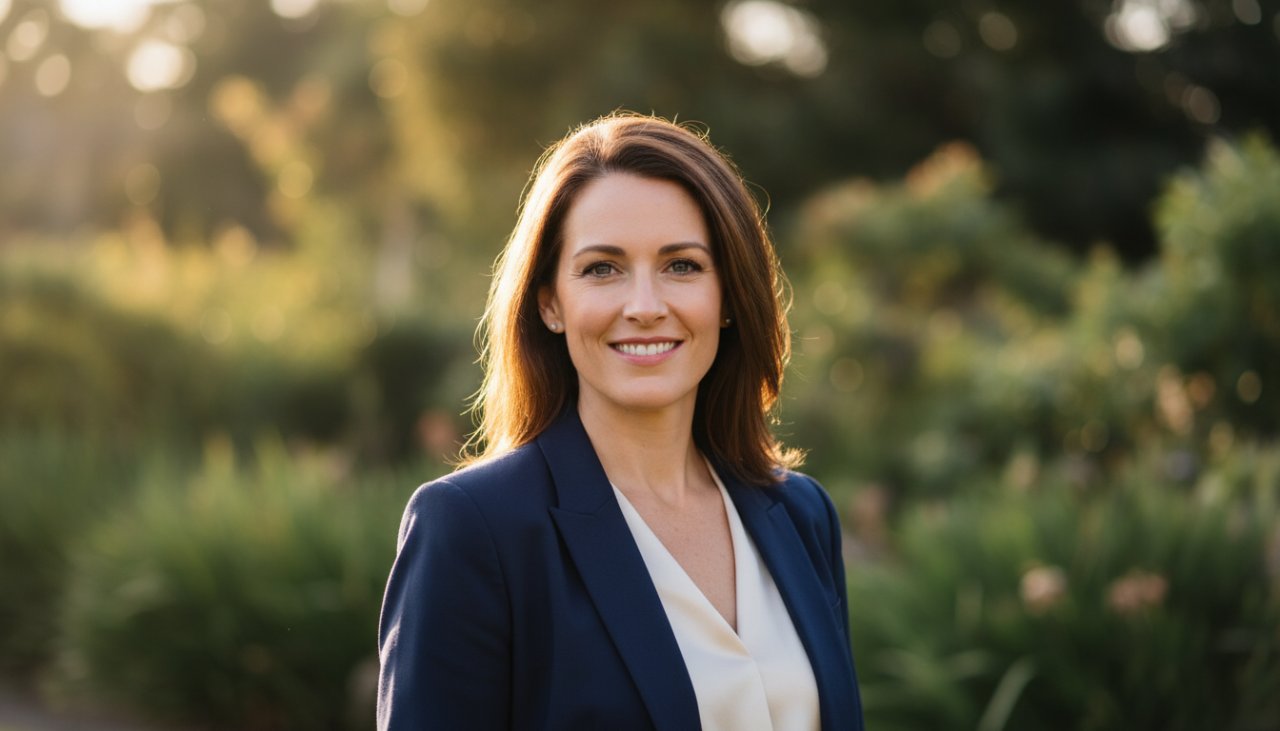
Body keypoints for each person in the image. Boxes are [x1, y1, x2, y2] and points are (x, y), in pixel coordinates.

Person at [377, 114, 863, 730]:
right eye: (602, 268)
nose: (644, 307)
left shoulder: (801, 514)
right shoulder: (474, 530)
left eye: (681, 265)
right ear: (550, 301)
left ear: (729, 297)